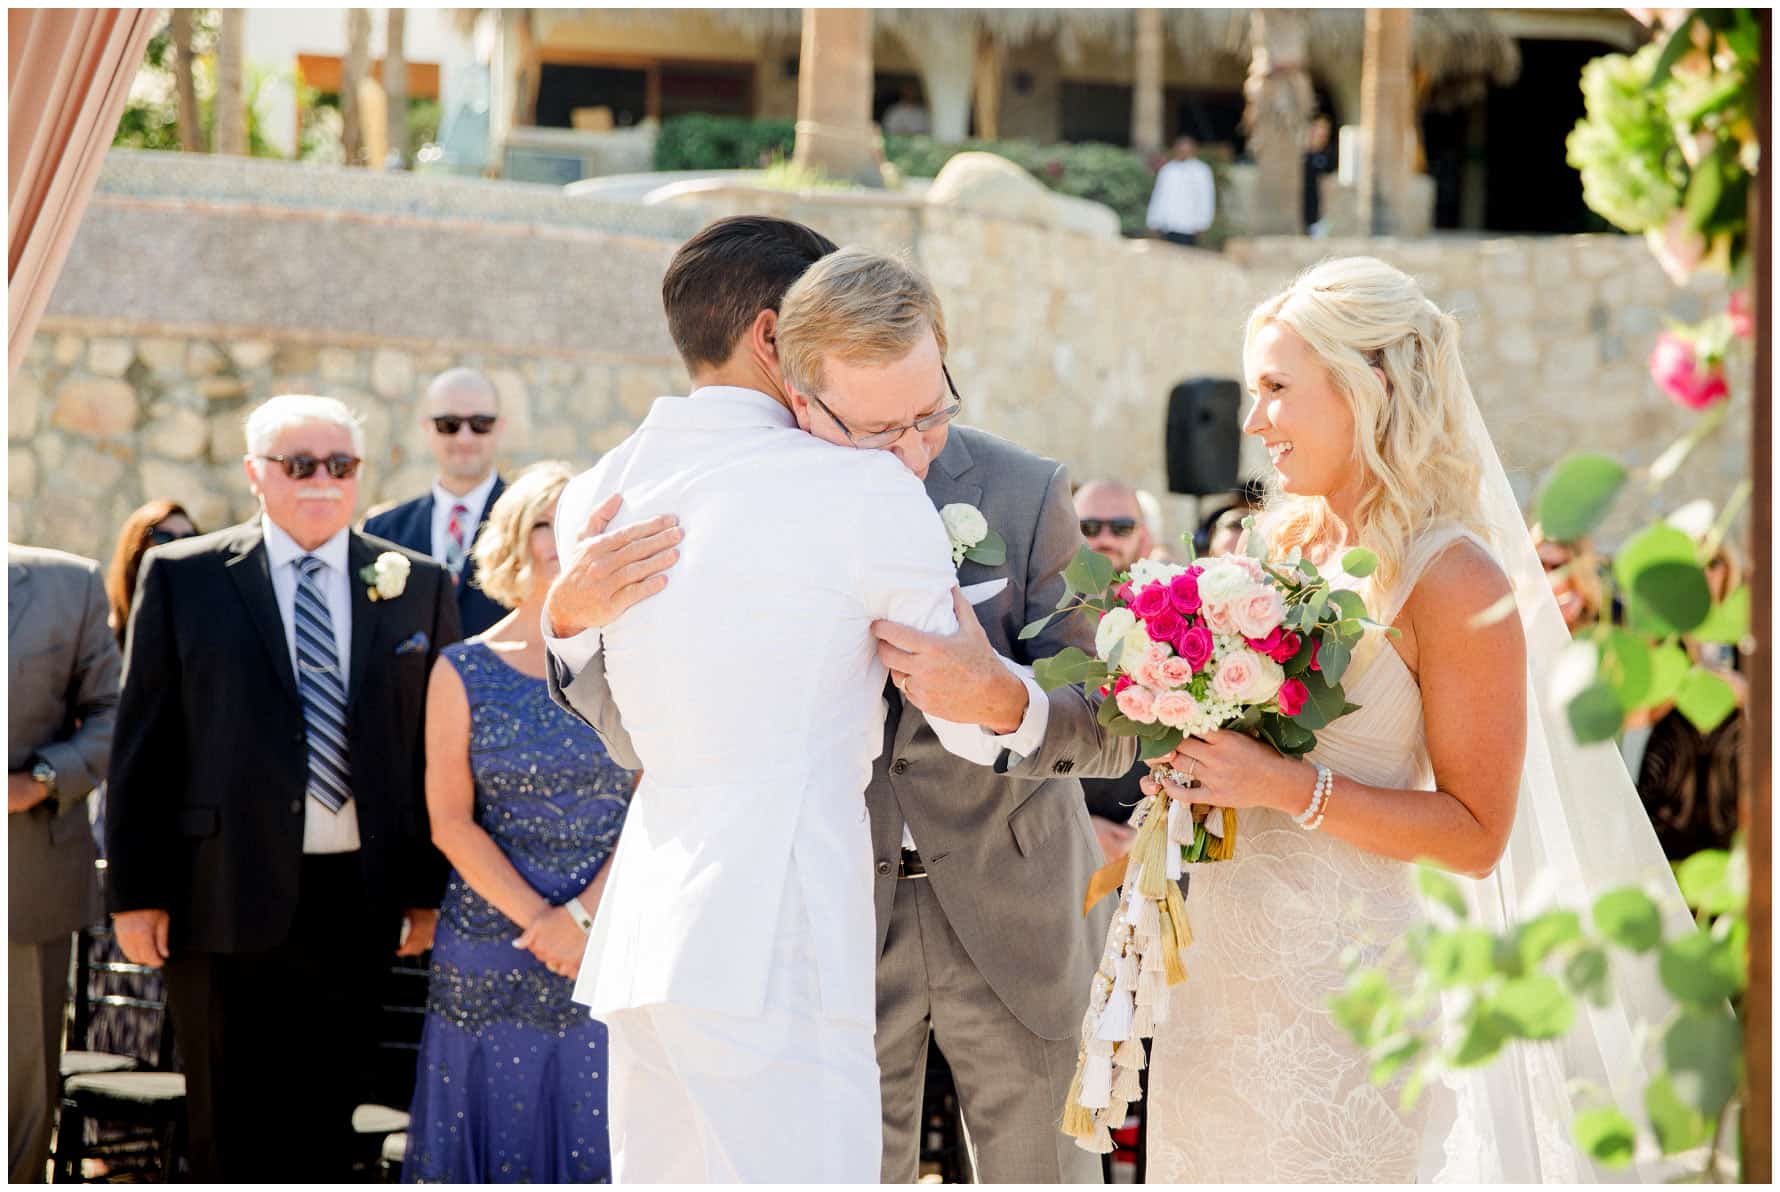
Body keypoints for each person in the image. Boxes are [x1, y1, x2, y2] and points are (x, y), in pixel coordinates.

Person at [550, 224, 1133, 1184]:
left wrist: (1003, 699)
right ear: (791, 362)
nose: (912, 448)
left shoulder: (1023, 490)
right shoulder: (686, 503)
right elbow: (650, 735)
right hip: (820, 916)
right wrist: (567, 622)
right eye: (875, 428)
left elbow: (1109, 717)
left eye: (934, 413)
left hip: (1014, 907)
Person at [1140, 257, 1692, 1181]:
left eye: (1277, 389)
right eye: (1251, 390)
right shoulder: (1278, 547)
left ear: (1370, 386)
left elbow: (1478, 834)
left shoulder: (1455, 576)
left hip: (1357, 995)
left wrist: (1284, 786)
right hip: (1227, 980)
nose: (1252, 422)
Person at [105, 394, 460, 1182]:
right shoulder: (185, 578)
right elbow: (142, 750)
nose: (323, 481)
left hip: (359, 899)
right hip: (218, 892)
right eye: (300, 465)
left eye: (342, 465)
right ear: (255, 475)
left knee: (329, 1124)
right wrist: (135, 895)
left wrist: (425, 890)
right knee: (229, 1129)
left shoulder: (414, 583)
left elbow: (432, 752)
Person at [403, 463, 632, 1183]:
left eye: (579, 521)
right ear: (513, 537)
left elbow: (662, 801)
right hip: (490, 950)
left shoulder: (632, 662)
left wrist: (584, 921)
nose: (561, 538)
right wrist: (544, 921)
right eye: (546, 522)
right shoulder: (462, 669)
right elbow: (450, 820)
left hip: (613, 942)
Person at [8, 544, 120, 1183]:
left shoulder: (65, 583)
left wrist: (42, 779)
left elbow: (110, 713)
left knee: (19, 1095)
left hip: (22, 877)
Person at [365, 367, 509, 637]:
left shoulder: (533, 523)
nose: (464, 437)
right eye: (449, 425)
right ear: (426, 428)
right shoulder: (382, 531)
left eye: (480, 424)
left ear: (498, 427)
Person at [1073, 478, 1157, 864]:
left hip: (1152, 854)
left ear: (1143, 538)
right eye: (1088, 528)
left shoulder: (1177, 624)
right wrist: (1077, 827)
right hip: (1057, 856)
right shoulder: (1029, 622)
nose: (1104, 538)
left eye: (1120, 527)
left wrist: (1150, 830)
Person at [1145, 137, 1216, 248]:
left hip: (1189, 226)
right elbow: (1159, 197)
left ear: (1193, 151)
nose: (1183, 153)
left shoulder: (1201, 171)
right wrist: (1153, 221)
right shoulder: (1168, 170)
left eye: (1186, 150)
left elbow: (1206, 199)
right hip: (1168, 225)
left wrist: (1203, 223)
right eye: (1180, 149)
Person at [1303, 114, 1337, 234]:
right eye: (1320, 128)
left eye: (1326, 129)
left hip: (1319, 216)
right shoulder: (1302, 156)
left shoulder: (1328, 156)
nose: (1323, 133)